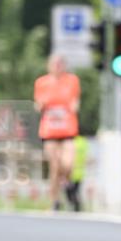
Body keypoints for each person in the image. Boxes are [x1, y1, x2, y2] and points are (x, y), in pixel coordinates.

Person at [34, 54, 80, 211]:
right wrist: (42, 104)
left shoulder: (72, 81)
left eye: (60, 64)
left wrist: (73, 106)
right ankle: (55, 201)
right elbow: (38, 104)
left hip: (67, 128)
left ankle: (67, 183)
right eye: (55, 64)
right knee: (54, 167)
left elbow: (75, 101)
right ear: (49, 66)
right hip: (49, 131)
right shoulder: (41, 82)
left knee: (67, 164)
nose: (57, 67)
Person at [66, 133, 88, 212]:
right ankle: (76, 206)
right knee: (76, 191)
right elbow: (86, 156)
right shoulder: (83, 142)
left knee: (69, 191)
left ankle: (74, 205)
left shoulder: (69, 142)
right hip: (80, 172)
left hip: (70, 172)